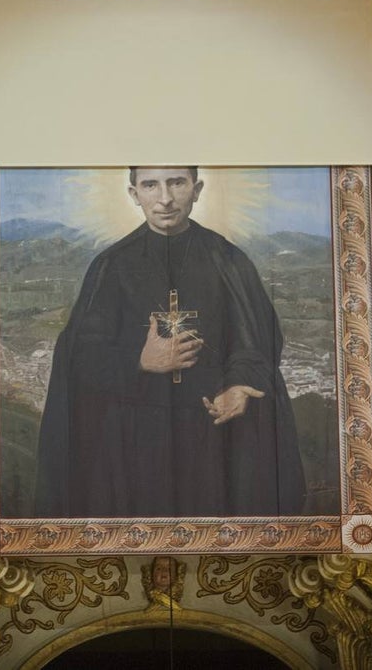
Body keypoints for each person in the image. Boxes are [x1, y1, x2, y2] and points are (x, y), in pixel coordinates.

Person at [33, 167, 306, 518]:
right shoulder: (111, 266)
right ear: (134, 194)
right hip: (135, 439)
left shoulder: (229, 260)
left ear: (197, 188)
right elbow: (78, 357)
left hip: (213, 434)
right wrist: (139, 359)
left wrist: (240, 383)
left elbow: (258, 337)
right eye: (151, 185)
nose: (165, 198)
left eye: (177, 182)